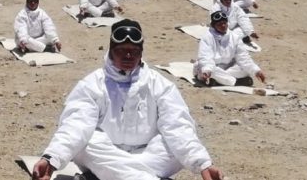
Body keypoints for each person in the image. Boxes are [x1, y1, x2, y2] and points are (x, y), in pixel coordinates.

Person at [31, 19, 225, 180]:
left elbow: (178, 126)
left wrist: (203, 164)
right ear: (111, 50)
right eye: (122, 50)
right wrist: (52, 158)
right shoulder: (92, 85)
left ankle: (116, 176)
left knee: (175, 147)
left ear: (141, 52)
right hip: (106, 152)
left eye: (134, 50)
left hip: (146, 155)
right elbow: (75, 125)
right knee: (85, 143)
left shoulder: (160, 85)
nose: (128, 55)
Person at [195, 11, 266, 87]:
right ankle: (236, 82)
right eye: (219, 24)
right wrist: (207, 70)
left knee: (245, 69)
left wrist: (256, 71)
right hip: (212, 67)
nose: (223, 26)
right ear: (213, 25)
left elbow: (243, 57)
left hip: (228, 68)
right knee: (206, 70)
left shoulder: (234, 37)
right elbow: (205, 57)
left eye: (224, 23)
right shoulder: (207, 37)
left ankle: (220, 81)